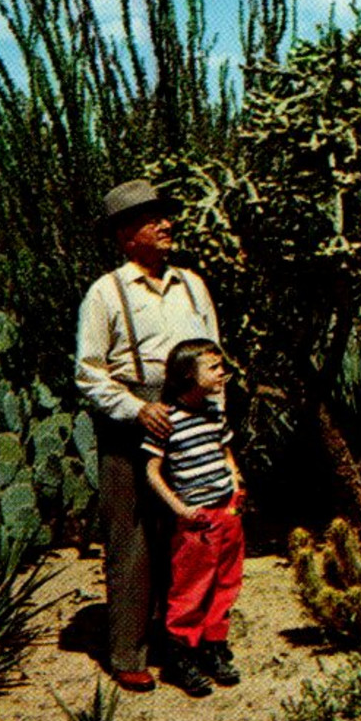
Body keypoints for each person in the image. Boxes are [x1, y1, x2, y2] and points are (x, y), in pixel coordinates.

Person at [76, 179, 221, 693]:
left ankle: (187, 642)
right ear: (123, 234)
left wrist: (214, 425)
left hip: (190, 415)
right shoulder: (106, 293)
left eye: (165, 215)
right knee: (131, 537)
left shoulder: (191, 284)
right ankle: (128, 651)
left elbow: (212, 356)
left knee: (189, 536)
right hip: (128, 419)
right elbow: (90, 372)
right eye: (150, 218)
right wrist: (138, 410)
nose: (166, 224)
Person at [144, 339, 246, 697]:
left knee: (225, 584)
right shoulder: (168, 420)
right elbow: (153, 471)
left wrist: (234, 482)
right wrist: (180, 509)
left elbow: (225, 448)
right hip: (196, 520)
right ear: (189, 374)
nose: (222, 373)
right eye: (214, 367)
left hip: (226, 511)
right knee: (190, 590)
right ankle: (181, 657)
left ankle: (213, 647)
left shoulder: (215, 412)